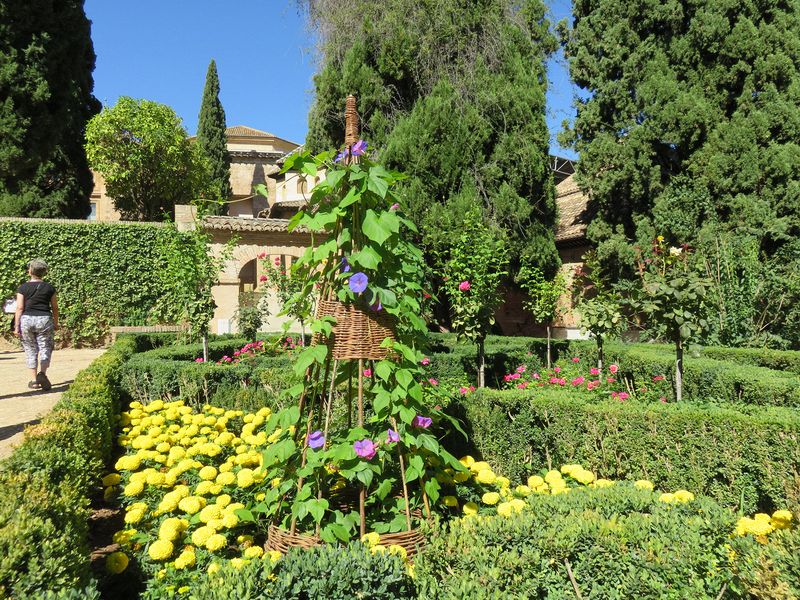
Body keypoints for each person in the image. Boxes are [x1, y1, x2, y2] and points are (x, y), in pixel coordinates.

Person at [13, 259, 59, 391]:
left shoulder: (23, 287)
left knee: (30, 349)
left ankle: (34, 381)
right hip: (44, 319)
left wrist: (17, 327)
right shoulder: (49, 288)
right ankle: (42, 374)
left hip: (27, 320)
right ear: (44, 272)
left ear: (30, 271)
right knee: (45, 347)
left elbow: (20, 308)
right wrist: (55, 323)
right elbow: (55, 308)